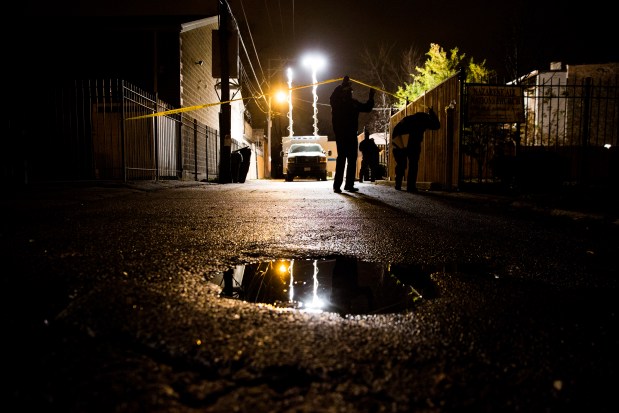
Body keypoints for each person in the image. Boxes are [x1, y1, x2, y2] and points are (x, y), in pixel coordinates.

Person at [330, 76, 375, 193]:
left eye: (350, 91)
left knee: (351, 159)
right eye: (348, 90)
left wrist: (371, 96)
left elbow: (367, 107)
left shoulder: (353, 103)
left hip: (350, 135)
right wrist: (342, 85)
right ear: (343, 92)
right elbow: (333, 97)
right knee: (342, 159)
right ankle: (337, 186)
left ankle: (348, 185)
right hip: (341, 135)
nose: (350, 93)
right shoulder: (337, 103)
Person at [391, 107, 440, 192]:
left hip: (401, 144)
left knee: (401, 164)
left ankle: (398, 184)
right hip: (414, 144)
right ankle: (410, 187)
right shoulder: (424, 121)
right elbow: (437, 125)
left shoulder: (407, 119)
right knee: (413, 165)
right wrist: (432, 113)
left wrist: (397, 143)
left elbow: (395, 131)